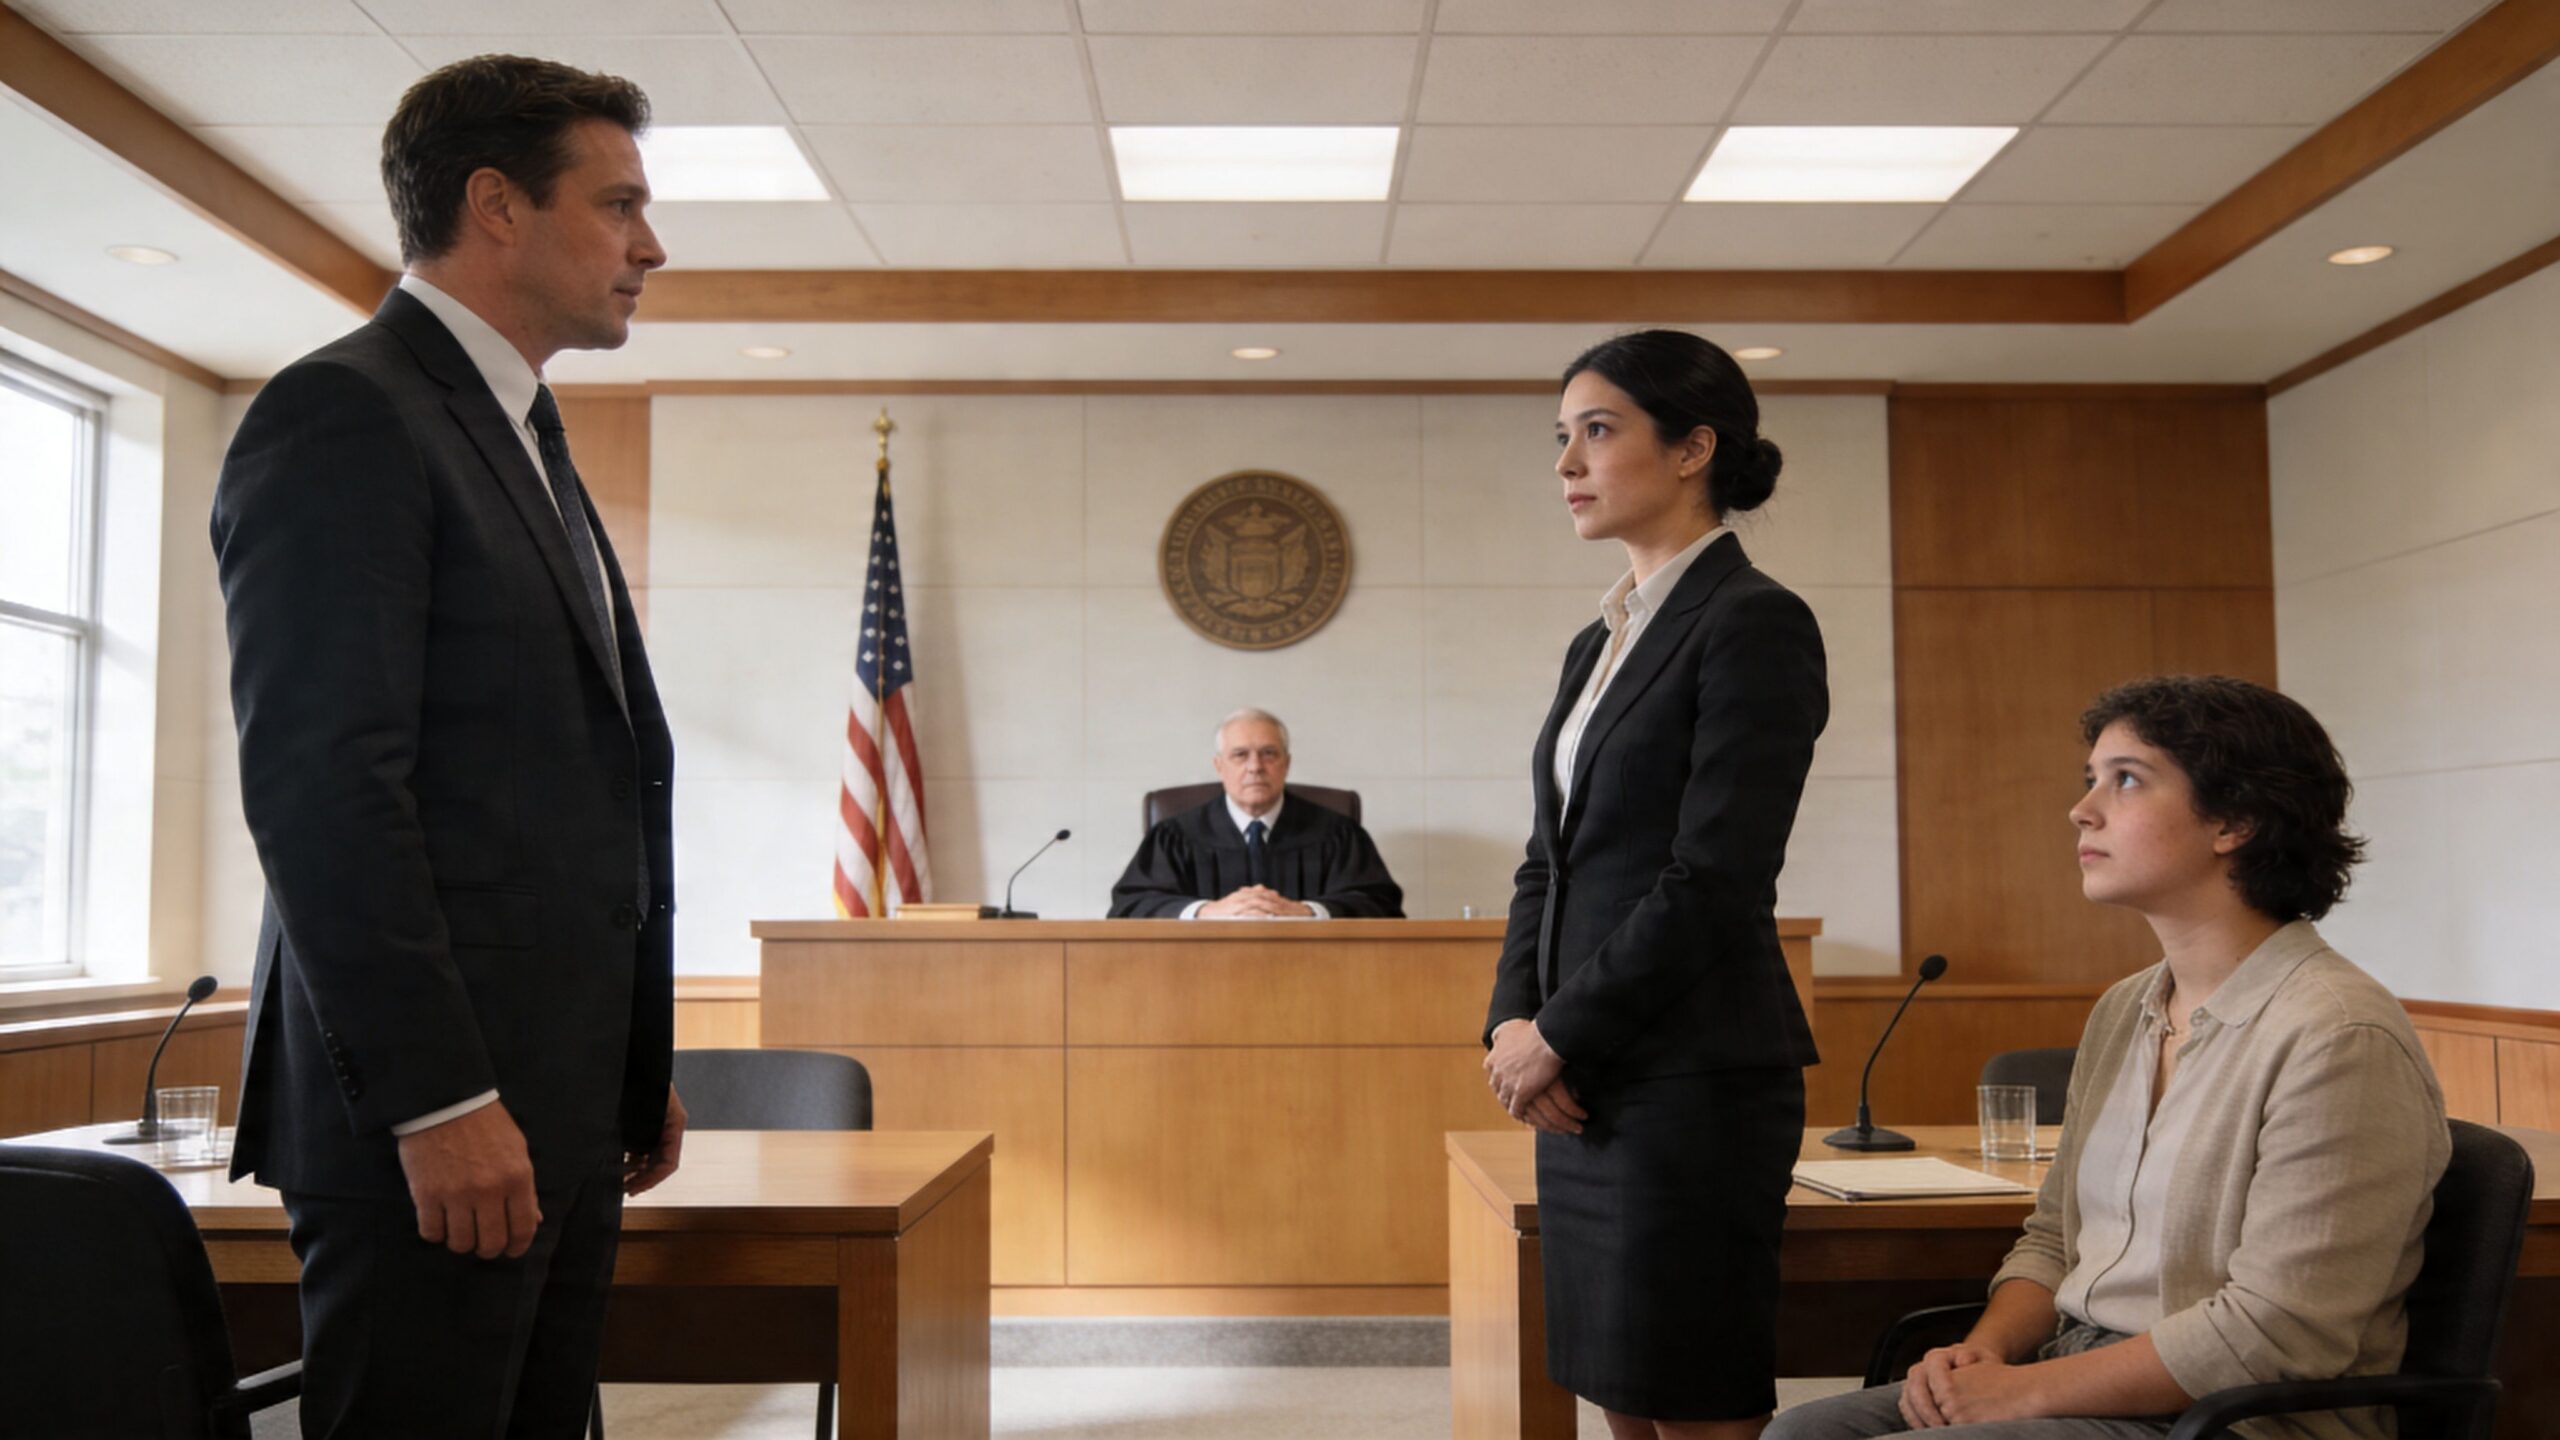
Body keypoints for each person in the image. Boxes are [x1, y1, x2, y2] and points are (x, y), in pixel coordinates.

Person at [211, 55, 685, 1437]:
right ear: (497, 207)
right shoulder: (346, 413)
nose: (650, 245)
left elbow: (571, 781)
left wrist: (624, 1055)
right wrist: (439, 1100)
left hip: (556, 1102)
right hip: (439, 1119)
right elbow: (324, 791)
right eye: (619, 205)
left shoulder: (517, 427)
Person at [1766, 676, 2449, 1440]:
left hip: (2234, 1419)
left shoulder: (2338, 1034)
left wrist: (2025, 1394)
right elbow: (2056, 1238)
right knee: (1801, 1434)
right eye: (2091, 779)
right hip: (2082, 1370)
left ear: (2236, 820)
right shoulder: (2126, 1009)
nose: (2082, 808)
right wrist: (1982, 1355)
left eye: (2126, 780)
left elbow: (2277, 1332)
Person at [1483, 329, 1829, 1440]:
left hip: (1691, 1079)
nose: (1566, 463)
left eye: (1597, 431)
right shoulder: (1600, 642)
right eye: (1560, 437)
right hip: (1584, 1077)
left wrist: (1562, 1033)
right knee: (1616, 1390)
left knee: (1691, 1397)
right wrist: (1512, 1026)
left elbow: (1717, 875)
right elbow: (1551, 855)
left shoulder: (1752, 620)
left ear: (1692, 450)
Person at [1108, 707, 1404, 918]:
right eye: (1240, 755)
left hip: (1313, 976)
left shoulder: (1338, 833)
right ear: (1219, 766)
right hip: (1199, 979)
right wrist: (1206, 911)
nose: (1255, 766)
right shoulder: (1174, 835)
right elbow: (1131, 906)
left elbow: (1380, 905)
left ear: (1286, 763)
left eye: (1268, 753)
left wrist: (1307, 911)